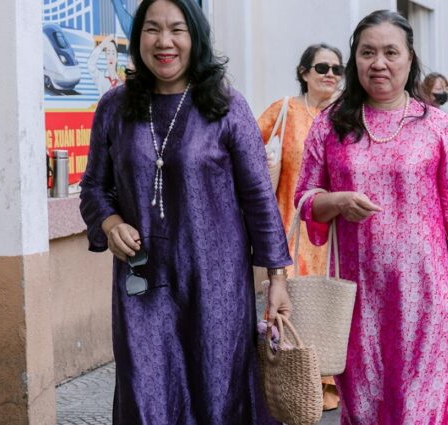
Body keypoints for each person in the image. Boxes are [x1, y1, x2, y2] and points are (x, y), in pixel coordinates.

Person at [78, 0, 292, 422]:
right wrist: (110, 220)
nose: (164, 42)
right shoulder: (115, 108)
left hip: (215, 289)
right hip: (142, 284)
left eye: (177, 29)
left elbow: (259, 200)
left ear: (196, 37)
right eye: (152, 30)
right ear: (137, 38)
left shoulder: (227, 107)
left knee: (218, 395)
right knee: (146, 396)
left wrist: (277, 278)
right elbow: (93, 188)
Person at [292, 10, 448, 424]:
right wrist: (337, 201)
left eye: (390, 52)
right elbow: (304, 199)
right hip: (361, 298)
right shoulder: (331, 125)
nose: (378, 63)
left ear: (409, 57)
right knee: (367, 405)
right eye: (367, 52)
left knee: (425, 407)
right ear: (354, 59)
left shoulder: (435, 124)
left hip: (429, 295)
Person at [256, 42, 343, 411]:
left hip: (334, 233)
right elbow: (248, 156)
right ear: (304, 72)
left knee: (330, 305)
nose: (330, 75)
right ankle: (287, 375)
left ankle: (326, 378)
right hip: (289, 228)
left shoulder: (347, 117)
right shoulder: (285, 111)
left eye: (337, 69)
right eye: (322, 67)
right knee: (288, 302)